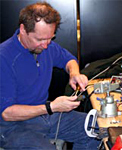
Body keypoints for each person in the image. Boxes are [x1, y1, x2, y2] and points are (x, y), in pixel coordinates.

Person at [0, 2, 100, 150]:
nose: (46, 45)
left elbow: (69, 59)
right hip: (14, 127)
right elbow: (7, 113)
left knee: (97, 128)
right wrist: (51, 107)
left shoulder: (47, 46)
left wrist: (74, 74)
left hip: (45, 115)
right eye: (40, 39)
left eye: (50, 38)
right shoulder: (4, 57)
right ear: (23, 29)